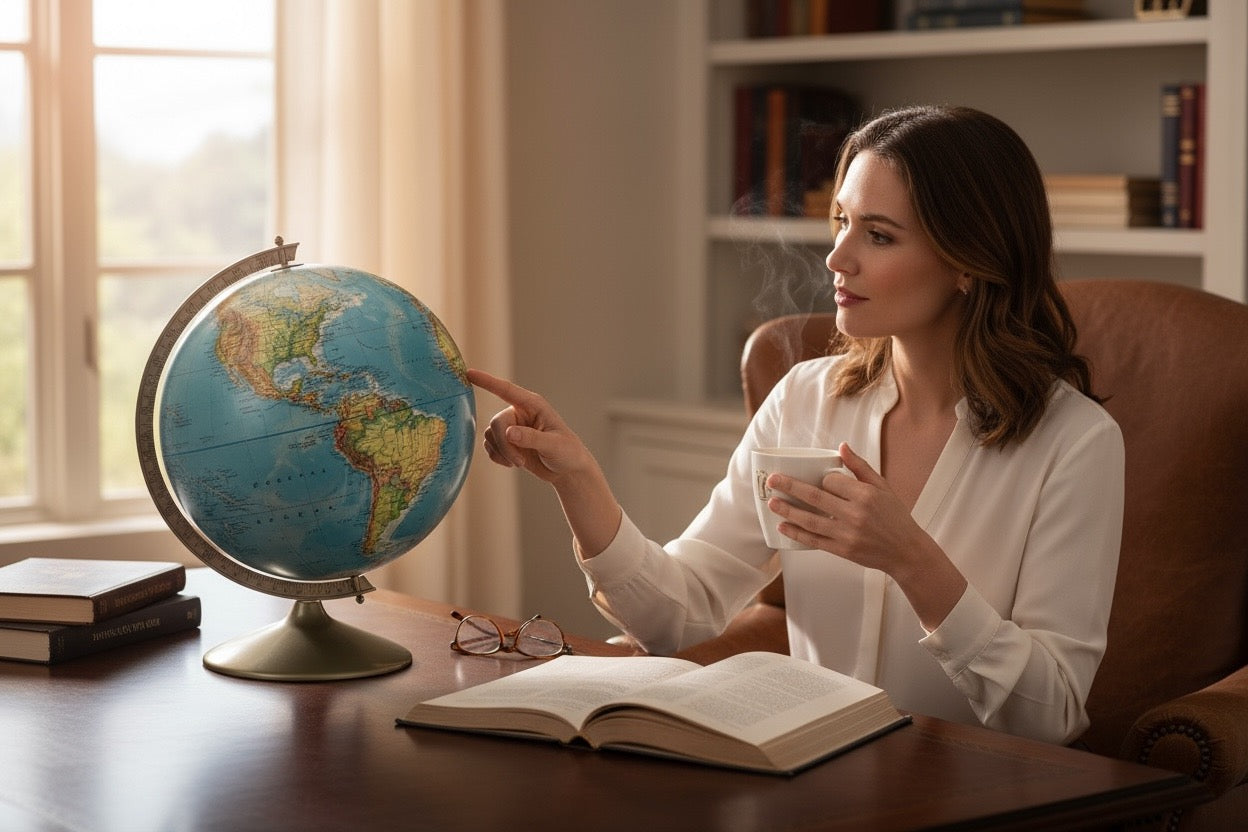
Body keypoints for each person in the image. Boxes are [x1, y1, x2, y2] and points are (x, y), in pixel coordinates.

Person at [468, 105, 1124, 746]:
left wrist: (912, 560)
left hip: (973, 796)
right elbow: (680, 613)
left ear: (968, 262)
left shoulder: (1075, 444)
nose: (837, 258)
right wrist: (578, 482)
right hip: (811, 783)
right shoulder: (806, 400)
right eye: (841, 222)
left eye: (879, 234)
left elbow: (1052, 714)